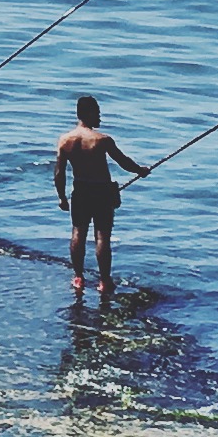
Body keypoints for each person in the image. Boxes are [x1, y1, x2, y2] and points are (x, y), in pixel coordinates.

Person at [53, 93, 150, 290]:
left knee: (78, 232)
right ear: (88, 113)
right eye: (97, 113)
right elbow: (123, 162)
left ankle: (78, 277)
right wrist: (140, 170)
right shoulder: (102, 140)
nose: (99, 117)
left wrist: (62, 197)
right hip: (102, 191)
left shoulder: (64, 140)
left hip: (80, 190)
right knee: (102, 236)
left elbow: (59, 172)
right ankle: (104, 281)